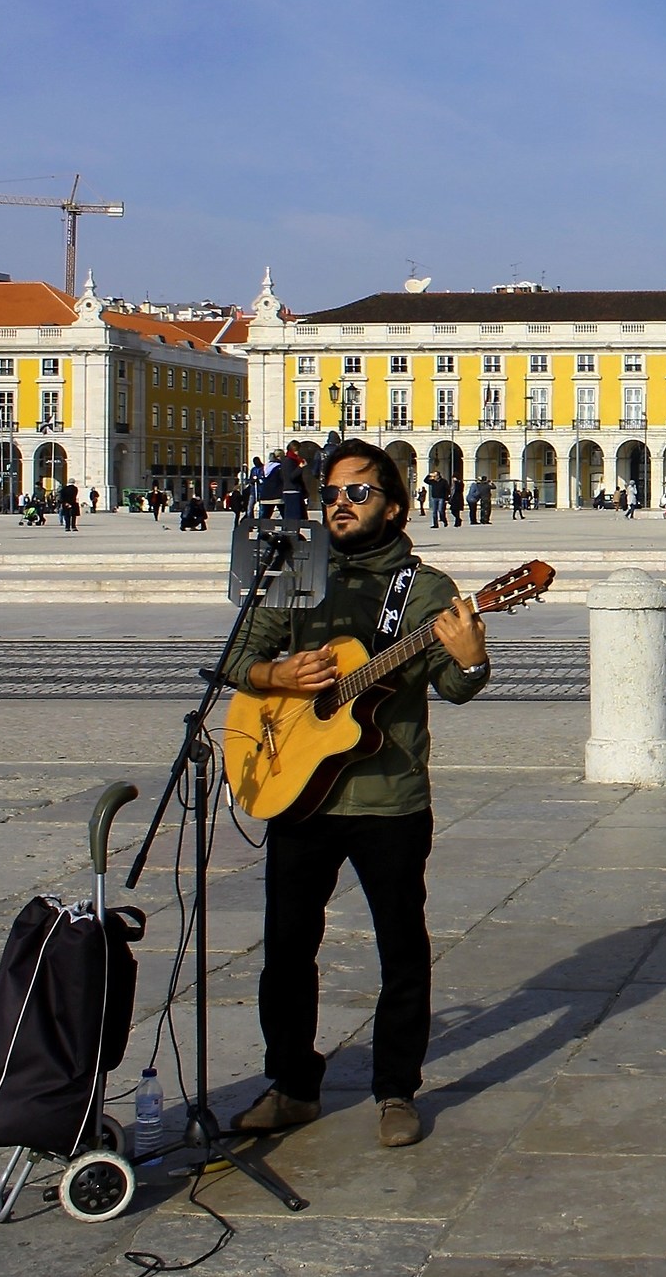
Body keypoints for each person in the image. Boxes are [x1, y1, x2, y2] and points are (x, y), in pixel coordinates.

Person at [223, 439, 490, 1151]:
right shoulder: (294, 570)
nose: (339, 503)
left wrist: (471, 660)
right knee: (286, 948)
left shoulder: (425, 589)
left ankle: (396, 1088)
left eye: (358, 493)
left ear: (395, 507)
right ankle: (292, 1086)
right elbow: (236, 658)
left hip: (387, 795)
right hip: (296, 789)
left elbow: (455, 686)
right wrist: (278, 680)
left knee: (401, 948)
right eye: (332, 493)